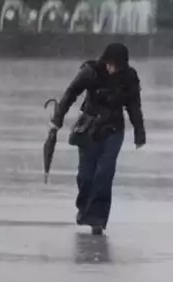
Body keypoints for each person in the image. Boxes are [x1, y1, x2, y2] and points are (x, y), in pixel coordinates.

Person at [50, 43, 146, 236]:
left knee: (105, 173)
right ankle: (84, 208)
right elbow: (71, 93)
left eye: (117, 66)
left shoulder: (129, 78)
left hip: (113, 130)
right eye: (110, 65)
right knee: (86, 175)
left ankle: (98, 219)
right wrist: (57, 120)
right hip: (89, 128)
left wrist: (139, 132)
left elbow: (134, 106)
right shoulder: (90, 71)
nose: (112, 69)